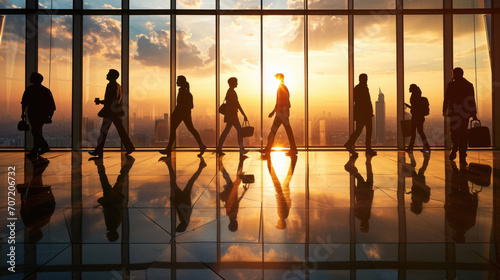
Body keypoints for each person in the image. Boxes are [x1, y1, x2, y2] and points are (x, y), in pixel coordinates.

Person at [89, 69, 135, 157]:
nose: (107, 75)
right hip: (116, 112)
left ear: (112, 76)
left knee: (103, 132)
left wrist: (100, 102)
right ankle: (129, 147)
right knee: (120, 131)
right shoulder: (118, 86)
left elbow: (110, 100)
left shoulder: (111, 85)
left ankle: (99, 150)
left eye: (108, 74)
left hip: (110, 112)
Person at [160, 76, 206, 158]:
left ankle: (168, 149)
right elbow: (190, 106)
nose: (176, 82)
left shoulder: (183, 92)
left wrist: (177, 112)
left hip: (181, 114)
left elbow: (183, 105)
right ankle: (201, 146)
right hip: (183, 114)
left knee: (176, 130)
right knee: (190, 129)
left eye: (178, 80)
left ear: (181, 82)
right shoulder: (185, 92)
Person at [92, 155, 135, 242]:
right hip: (111, 199)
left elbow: (115, 211)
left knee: (120, 178)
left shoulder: (116, 225)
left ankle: (99, 163)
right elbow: (109, 212)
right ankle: (99, 163)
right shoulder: (111, 225)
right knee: (104, 179)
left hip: (115, 199)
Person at [162, 156, 207, 232]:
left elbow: (185, 209)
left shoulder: (185, 221)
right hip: (182, 199)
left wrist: (175, 203)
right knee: (174, 182)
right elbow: (181, 207)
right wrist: (174, 202)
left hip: (184, 200)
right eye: (178, 227)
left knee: (189, 182)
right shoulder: (184, 221)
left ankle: (201, 166)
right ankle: (168, 163)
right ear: (180, 226)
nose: (178, 225)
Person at [443, 67, 477, 166]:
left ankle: (454, 146)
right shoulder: (469, 85)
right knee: (463, 133)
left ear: (454, 74)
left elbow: (446, 98)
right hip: (464, 113)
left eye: (452, 74)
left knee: (453, 131)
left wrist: (444, 109)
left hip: (454, 112)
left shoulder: (451, 85)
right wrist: (474, 113)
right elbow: (471, 100)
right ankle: (462, 156)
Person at [261, 73, 297, 157]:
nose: (276, 79)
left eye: (276, 78)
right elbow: (281, 102)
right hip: (282, 114)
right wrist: (274, 112)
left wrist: (275, 112)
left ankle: (268, 149)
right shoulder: (283, 88)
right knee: (287, 131)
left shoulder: (281, 89)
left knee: (274, 131)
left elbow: (280, 102)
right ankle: (293, 149)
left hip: (281, 115)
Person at [21, 72, 56, 158]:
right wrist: (50, 116)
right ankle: (36, 149)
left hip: (33, 113)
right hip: (43, 114)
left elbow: (24, 103)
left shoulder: (29, 89)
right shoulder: (46, 90)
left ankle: (43, 147)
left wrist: (23, 113)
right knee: (37, 131)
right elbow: (52, 106)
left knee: (35, 131)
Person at [344, 73, 377, 157]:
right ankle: (367, 148)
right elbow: (365, 101)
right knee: (367, 131)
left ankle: (350, 144)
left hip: (362, 114)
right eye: (366, 78)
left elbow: (358, 101)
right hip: (364, 114)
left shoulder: (358, 88)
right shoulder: (362, 88)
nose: (367, 80)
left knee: (359, 131)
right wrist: (369, 111)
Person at [217, 77, 249, 155]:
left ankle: (219, 148)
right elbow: (237, 104)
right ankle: (241, 148)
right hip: (232, 115)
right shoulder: (232, 92)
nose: (237, 84)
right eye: (236, 82)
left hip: (230, 115)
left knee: (227, 131)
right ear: (232, 83)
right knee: (238, 131)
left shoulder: (229, 92)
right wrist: (244, 114)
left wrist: (225, 107)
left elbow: (225, 101)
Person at [344, 154, 374, 232]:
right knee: (361, 174)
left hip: (365, 189)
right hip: (364, 190)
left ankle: (367, 159)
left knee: (367, 173)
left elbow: (365, 202)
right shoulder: (360, 215)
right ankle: (350, 165)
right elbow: (361, 202)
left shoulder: (364, 216)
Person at [405, 84, 430, 153]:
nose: (409, 89)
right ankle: (426, 146)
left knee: (414, 132)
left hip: (416, 117)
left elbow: (415, 108)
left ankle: (410, 147)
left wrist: (408, 106)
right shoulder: (418, 96)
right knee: (420, 132)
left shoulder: (414, 97)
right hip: (420, 117)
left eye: (410, 88)